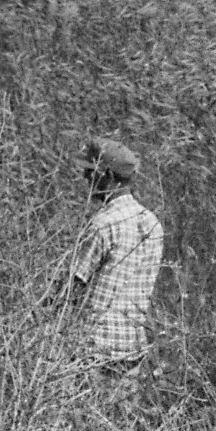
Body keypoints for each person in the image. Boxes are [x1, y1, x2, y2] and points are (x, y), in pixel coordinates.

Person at [60, 139, 164, 370]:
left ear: (105, 174)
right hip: (132, 350)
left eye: (90, 172)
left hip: (94, 350)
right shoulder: (152, 223)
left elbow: (72, 288)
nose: (86, 179)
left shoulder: (103, 224)